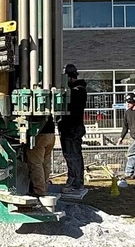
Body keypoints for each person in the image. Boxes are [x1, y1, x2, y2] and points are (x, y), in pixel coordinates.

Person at [58, 63, 88, 194]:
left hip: (72, 128)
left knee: (72, 156)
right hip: (73, 127)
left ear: (69, 78)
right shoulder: (78, 90)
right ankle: (77, 182)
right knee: (74, 155)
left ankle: (74, 182)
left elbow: (69, 105)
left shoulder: (77, 91)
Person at [26, 115, 56, 197]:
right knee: (46, 162)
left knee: (35, 163)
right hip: (51, 134)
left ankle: (39, 191)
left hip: (40, 135)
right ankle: (44, 187)